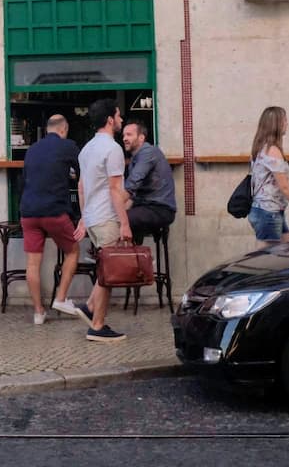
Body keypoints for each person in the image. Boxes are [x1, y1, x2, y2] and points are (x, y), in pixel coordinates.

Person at [18, 115, 87, 325]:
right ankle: (60, 298)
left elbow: (27, 178)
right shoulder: (68, 146)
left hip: (28, 212)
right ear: (64, 129)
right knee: (72, 250)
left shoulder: (32, 149)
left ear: (47, 130)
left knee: (32, 263)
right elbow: (84, 172)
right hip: (54, 210)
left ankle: (39, 313)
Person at [75, 98, 131, 343]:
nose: (121, 120)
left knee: (104, 270)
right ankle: (97, 326)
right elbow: (115, 189)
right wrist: (125, 223)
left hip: (93, 218)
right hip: (107, 217)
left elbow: (81, 187)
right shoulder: (113, 149)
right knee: (109, 275)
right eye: (118, 116)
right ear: (110, 120)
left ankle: (89, 307)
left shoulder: (86, 149)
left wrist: (83, 218)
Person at [248, 106, 289, 249]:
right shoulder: (272, 150)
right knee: (267, 260)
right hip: (268, 212)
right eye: (284, 120)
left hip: (267, 211)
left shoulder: (261, 147)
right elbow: (284, 187)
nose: (287, 124)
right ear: (276, 124)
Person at [121, 121, 177, 247]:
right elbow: (132, 195)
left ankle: (133, 260)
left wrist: (116, 210)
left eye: (129, 135)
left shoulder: (148, 153)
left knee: (120, 220)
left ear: (141, 137)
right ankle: (133, 257)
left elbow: (131, 185)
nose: (125, 138)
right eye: (124, 135)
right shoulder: (136, 158)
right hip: (146, 207)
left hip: (159, 208)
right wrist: (118, 211)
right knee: (119, 218)